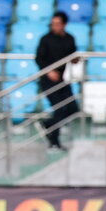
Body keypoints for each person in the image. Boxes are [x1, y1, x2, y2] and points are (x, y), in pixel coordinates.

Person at [34, 11, 81, 150]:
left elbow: (73, 56)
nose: (54, 26)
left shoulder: (69, 38)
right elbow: (39, 58)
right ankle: (54, 142)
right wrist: (49, 71)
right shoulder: (46, 39)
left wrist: (75, 59)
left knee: (73, 108)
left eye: (57, 24)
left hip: (62, 79)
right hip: (47, 80)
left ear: (64, 24)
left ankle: (48, 124)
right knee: (59, 109)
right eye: (53, 24)